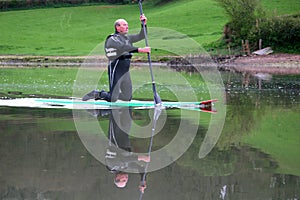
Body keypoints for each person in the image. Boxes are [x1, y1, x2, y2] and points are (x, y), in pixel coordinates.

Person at [82, 15, 151, 102]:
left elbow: (142, 36)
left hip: (125, 70)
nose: (127, 27)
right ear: (117, 27)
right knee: (112, 98)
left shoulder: (127, 38)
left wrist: (144, 24)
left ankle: (113, 94)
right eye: (124, 25)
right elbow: (122, 47)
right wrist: (140, 49)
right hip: (116, 68)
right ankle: (97, 94)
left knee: (127, 97)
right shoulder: (112, 39)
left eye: (127, 25)